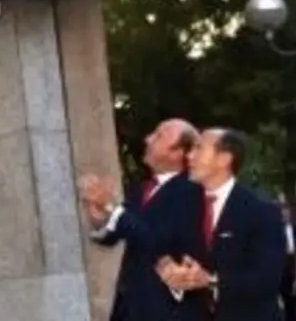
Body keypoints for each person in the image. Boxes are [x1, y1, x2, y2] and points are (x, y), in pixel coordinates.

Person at [80, 118, 203, 321]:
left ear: (178, 153)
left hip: (165, 310)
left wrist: (111, 207)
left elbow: (157, 241)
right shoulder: (143, 188)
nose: (148, 139)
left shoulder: (192, 191)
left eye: (158, 136)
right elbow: (120, 232)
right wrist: (99, 218)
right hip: (130, 307)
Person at [156, 128, 285, 321]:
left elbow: (267, 279)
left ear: (224, 159)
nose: (189, 156)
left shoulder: (261, 211)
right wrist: (169, 270)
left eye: (199, 148)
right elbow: (162, 251)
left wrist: (211, 281)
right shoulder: (180, 208)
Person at [280, 202, 296, 321]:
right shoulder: (273, 233)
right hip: (282, 269)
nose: (284, 216)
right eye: (281, 214)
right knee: (288, 303)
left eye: (286, 213)